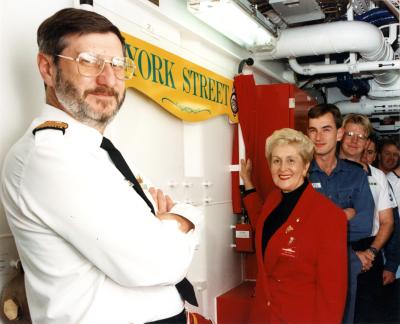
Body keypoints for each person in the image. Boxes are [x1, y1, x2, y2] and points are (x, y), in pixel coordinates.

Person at [0, 8, 202, 324]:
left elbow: (154, 246)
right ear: (47, 68)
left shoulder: (101, 151)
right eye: (89, 62)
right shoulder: (48, 155)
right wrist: (183, 219)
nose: (107, 78)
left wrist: (162, 229)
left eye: (118, 65)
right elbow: (156, 261)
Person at [239, 128, 347, 323]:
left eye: (291, 160)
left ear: (306, 166)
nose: (282, 168)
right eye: (276, 160)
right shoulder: (274, 200)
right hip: (263, 315)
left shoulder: (330, 216)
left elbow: (332, 294)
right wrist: (247, 182)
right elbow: (264, 225)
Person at [306, 104, 374, 324]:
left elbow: (363, 225)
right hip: (307, 268)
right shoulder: (299, 174)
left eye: (326, 129)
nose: (318, 136)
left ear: (339, 133)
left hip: (344, 267)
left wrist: (319, 224)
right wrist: (342, 215)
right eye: (313, 130)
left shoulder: (356, 176)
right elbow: (297, 228)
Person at [339, 113, 396, 323]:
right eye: (349, 134)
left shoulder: (377, 176)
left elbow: (388, 222)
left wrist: (371, 253)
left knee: (370, 315)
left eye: (360, 136)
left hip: (370, 254)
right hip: (337, 251)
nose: (354, 140)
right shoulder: (326, 172)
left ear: (367, 142)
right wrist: (352, 255)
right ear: (340, 135)